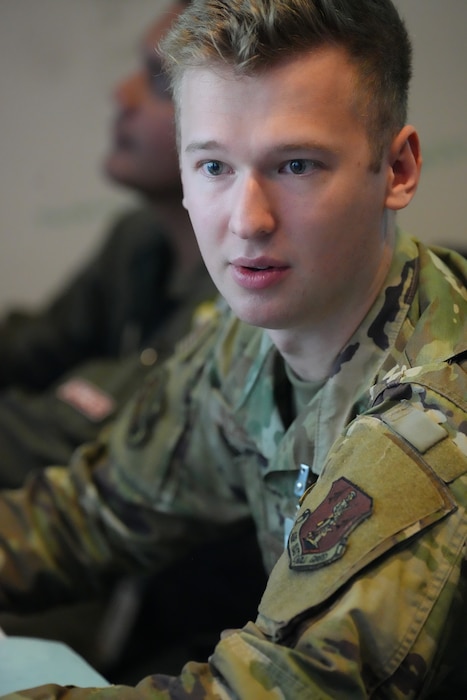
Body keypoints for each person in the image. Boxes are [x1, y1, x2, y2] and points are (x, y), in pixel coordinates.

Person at [0, 0, 466, 697]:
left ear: (396, 169)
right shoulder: (246, 336)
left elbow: (283, 687)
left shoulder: (429, 424)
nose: (247, 221)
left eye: (297, 165)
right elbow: (93, 514)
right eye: (214, 166)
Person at [0, 0, 215, 487]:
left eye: (160, 81)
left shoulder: (249, 289)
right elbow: (35, 350)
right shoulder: (138, 238)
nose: (122, 94)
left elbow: (80, 443)